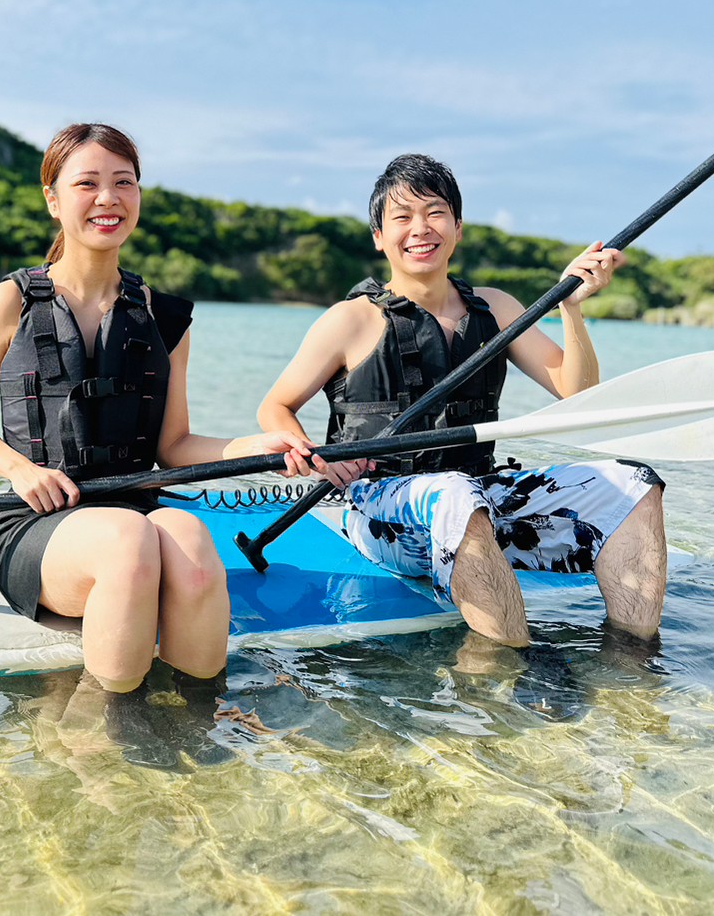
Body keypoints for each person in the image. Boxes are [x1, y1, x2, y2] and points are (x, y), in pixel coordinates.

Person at [0, 123, 316, 764]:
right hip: (39, 522)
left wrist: (263, 441)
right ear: (54, 199)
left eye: (124, 182)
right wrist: (17, 469)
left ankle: (198, 720)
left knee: (196, 546)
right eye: (86, 183)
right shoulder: (12, 300)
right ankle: (98, 727)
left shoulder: (163, 316)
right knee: (129, 543)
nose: (107, 198)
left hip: (133, 507)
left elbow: (174, 447)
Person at [257, 153, 668, 649]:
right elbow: (276, 408)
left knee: (633, 483)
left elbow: (576, 393)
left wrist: (570, 308)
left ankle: (633, 657)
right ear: (379, 237)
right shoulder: (351, 320)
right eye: (402, 217)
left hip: (479, 496)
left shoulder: (496, 308)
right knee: (453, 492)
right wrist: (317, 459)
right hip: (380, 506)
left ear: (457, 228)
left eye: (434, 213)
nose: (419, 228)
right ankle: (518, 666)